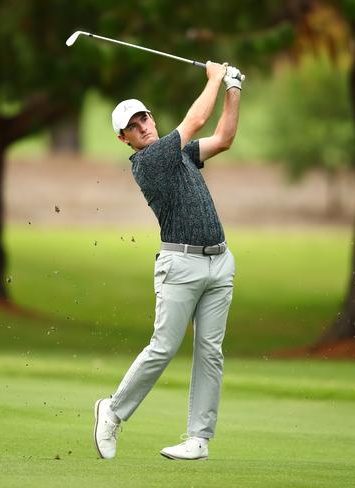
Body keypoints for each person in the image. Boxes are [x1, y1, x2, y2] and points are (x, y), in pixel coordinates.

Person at [94, 61, 242, 461]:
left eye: (144, 117)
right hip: (181, 266)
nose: (142, 125)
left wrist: (233, 88)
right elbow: (195, 120)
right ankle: (113, 410)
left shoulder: (182, 156)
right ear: (123, 138)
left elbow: (224, 137)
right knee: (163, 347)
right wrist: (213, 78)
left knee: (211, 352)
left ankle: (198, 438)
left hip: (219, 262)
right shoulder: (150, 161)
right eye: (133, 125)